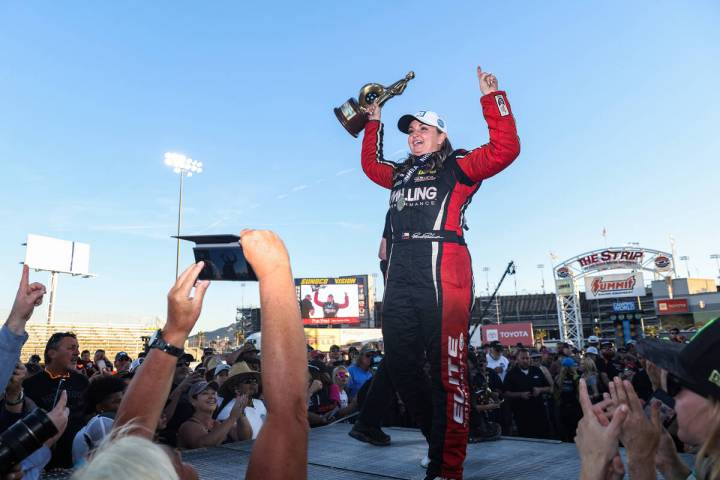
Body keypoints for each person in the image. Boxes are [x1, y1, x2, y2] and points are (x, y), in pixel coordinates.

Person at [360, 65, 520, 480]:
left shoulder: (459, 165)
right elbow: (369, 166)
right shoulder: (398, 173)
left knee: (448, 372)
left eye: (424, 129)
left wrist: (493, 98)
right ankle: (439, 442)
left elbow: (505, 150)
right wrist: (373, 122)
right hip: (399, 271)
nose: (415, 133)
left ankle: (447, 469)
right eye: (411, 129)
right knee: (399, 364)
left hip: (443, 267)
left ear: (441, 136)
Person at [22, 331, 89, 469]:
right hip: (42, 462)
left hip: (78, 461)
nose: (77, 352)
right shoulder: (30, 384)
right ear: (52, 353)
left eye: (77, 348)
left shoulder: (82, 381)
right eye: (71, 348)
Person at [177, 381, 251, 449]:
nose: (211, 396)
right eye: (205, 393)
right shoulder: (188, 426)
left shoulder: (219, 423)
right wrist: (232, 418)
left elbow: (245, 438)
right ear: (193, 401)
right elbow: (204, 445)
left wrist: (241, 413)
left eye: (213, 393)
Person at [503, 349, 552, 439]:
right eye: (523, 358)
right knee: (527, 438)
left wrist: (540, 390)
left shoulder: (536, 370)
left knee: (544, 437)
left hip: (539, 412)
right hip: (522, 414)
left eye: (527, 358)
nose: (525, 360)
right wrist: (520, 394)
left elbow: (549, 388)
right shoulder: (511, 374)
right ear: (517, 359)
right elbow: (506, 393)